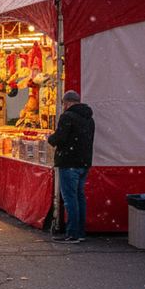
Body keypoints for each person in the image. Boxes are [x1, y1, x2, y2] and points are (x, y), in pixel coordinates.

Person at [48, 90, 95, 244]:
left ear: (67, 102)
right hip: (84, 163)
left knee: (70, 199)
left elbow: (60, 138)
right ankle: (80, 232)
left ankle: (72, 233)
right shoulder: (89, 118)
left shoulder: (67, 117)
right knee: (79, 197)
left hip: (69, 163)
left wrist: (50, 138)